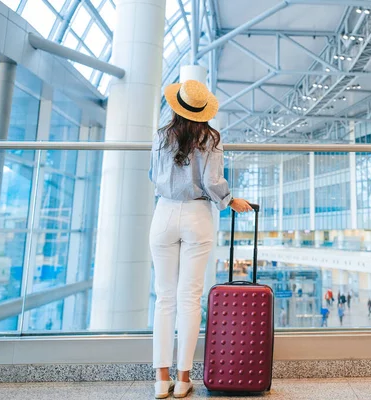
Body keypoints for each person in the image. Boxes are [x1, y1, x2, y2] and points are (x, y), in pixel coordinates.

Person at [149, 80, 253, 399]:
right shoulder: (210, 138)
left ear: (177, 106)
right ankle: (183, 380)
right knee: (189, 298)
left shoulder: (161, 136)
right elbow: (212, 181)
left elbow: (153, 174)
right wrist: (230, 199)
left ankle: (160, 381)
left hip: (164, 214)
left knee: (164, 298)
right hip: (196, 215)